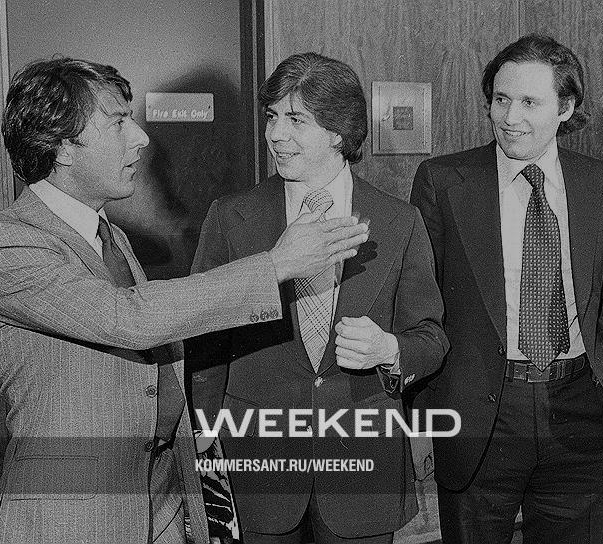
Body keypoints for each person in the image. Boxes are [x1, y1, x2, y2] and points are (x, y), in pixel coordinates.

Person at [0, 57, 368, 544]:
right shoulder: (5, 245)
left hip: (160, 502)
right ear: (64, 145)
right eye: (118, 123)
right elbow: (128, 319)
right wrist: (276, 265)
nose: (141, 138)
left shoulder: (111, 237)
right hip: (72, 516)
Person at [188, 52, 448, 544]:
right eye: (272, 117)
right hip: (257, 467)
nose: (275, 134)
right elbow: (205, 338)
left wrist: (390, 349)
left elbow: (431, 338)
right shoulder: (230, 218)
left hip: (362, 472)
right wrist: (203, 435)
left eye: (295, 120)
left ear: (338, 131)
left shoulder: (399, 221)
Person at [410, 34, 603, 544]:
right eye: (501, 99)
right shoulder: (443, 182)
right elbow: (420, 309)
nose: (510, 117)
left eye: (530, 102)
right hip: (481, 417)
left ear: (566, 108)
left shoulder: (599, 182)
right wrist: (424, 415)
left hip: (581, 410)